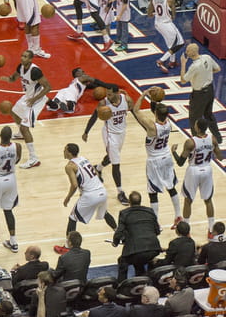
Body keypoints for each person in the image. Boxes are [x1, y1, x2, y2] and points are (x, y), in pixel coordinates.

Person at [131, 89, 181, 224]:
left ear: (155, 114)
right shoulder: (169, 124)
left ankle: (155, 221)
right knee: (171, 187)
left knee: (153, 192)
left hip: (155, 161)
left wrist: (143, 95)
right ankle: (178, 215)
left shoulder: (152, 127)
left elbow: (136, 111)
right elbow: (158, 112)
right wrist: (154, 99)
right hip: (167, 157)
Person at [82, 84, 133, 204]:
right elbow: (94, 116)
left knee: (111, 157)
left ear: (117, 93)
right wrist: (86, 132)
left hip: (121, 133)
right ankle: (120, 192)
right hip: (110, 135)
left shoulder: (125, 99)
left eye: (110, 94)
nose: (107, 96)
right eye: (107, 94)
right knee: (116, 163)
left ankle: (98, 168)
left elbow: (134, 111)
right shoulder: (103, 104)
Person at [0, 50, 51, 169]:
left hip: (37, 100)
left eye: (26, 56)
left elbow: (48, 87)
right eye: (22, 55)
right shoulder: (21, 67)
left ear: (31, 59)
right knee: (14, 112)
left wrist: (34, 99)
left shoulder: (35, 71)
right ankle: (21, 134)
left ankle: (34, 159)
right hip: (28, 97)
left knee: (25, 127)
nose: (22, 58)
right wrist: (7, 79)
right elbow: (13, 78)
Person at [60, 143, 116, 247]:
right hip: (102, 191)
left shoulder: (69, 166)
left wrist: (68, 198)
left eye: (65, 150)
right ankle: (119, 234)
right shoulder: (84, 159)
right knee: (104, 213)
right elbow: (96, 172)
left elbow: (74, 184)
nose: (63, 151)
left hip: (90, 195)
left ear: (69, 153)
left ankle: (68, 247)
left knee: (73, 218)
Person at [173, 118, 221, 233]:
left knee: (188, 200)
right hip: (207, 170)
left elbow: (180, 162)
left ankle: (185, 230)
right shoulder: (213, 139)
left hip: (194, 171)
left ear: (197, 127)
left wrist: (173, 151)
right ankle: (211, 229)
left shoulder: (191, 142)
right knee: (208, 200)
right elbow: (220, 157)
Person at [112, 192, 161, 282]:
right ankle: (145, 281)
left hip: (136, 250)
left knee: (123, 261)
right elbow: (157, 231)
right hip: (153, 249)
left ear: (129, 202)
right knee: (139, 259)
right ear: (140, 201)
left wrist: (115, 242)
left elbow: (119, 232)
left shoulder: (124, 213)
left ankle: (121, 287)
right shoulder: (150, 211)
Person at [180, 43, 222, 143]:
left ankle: (196, 141)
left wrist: (183, 64)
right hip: (210, 90)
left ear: (192, 53)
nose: (186, 52)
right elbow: (217, 69)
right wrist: (205, 74)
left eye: (188, 50)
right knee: (208, 114)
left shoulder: (194, 67)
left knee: (194, 118)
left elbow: (183, 80)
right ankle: (218, 138)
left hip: (199, 94)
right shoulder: (207, 57)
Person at [148, 0, 185, 74]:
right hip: (166, 24)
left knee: (171, 44)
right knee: (180, 43)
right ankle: (161, 60)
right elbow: (173, 14)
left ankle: (172, 62)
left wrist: (151, 13)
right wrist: (172, 15)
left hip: (158, 23)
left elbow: (150, 11)